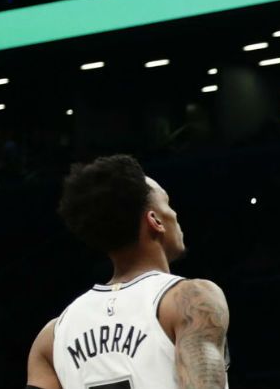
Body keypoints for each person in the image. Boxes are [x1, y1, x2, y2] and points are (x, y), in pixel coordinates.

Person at [26, 155, 229, 389]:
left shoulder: (51, 337)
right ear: (155, 220)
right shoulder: (190, 299)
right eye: (168, 204)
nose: (174, 214)